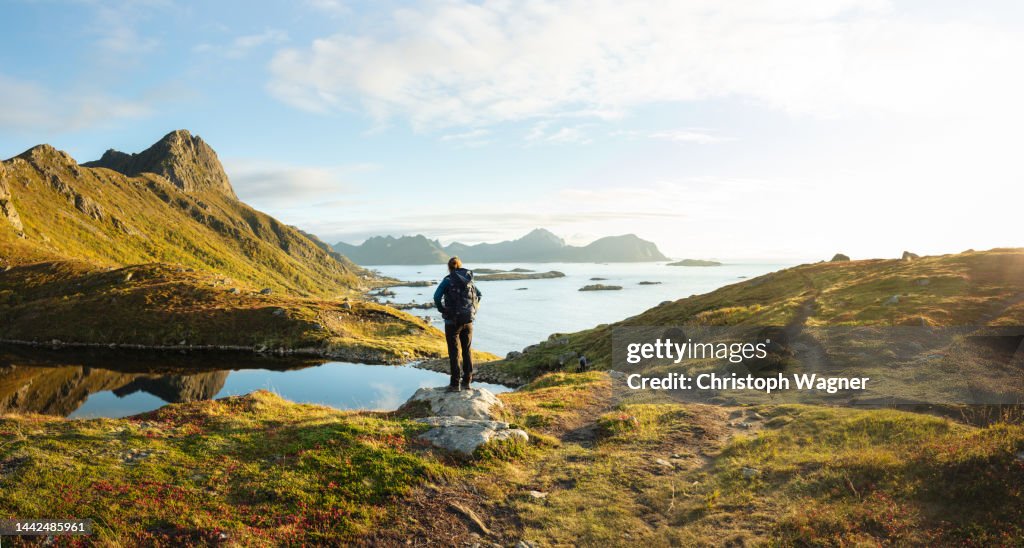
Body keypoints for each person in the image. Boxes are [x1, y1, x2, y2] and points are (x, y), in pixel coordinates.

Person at [433, 256, 482, 392]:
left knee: (454, 353)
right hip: (468, 321)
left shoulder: (448, 280)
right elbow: (479, 294)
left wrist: (442, 310)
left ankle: (455, 384)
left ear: (449, 267)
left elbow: (436, 297)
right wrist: (474, 310)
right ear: (460, 266)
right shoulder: (469, 280)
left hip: (452, 322)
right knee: (467, 351)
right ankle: (467, 382)